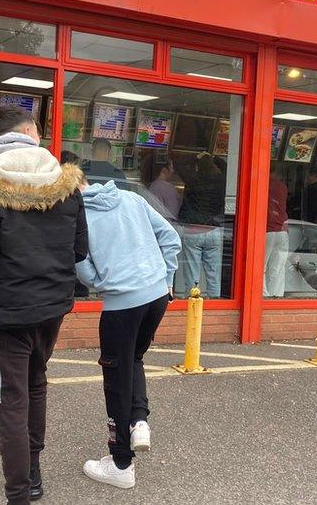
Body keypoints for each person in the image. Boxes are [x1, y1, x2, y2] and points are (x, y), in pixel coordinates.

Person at [0, 106, 87, 505]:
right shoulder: (65, 182)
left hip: (8, 308)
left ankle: (18, 492)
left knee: (13, 395)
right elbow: (79, 248)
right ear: (30, 132)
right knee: (36, 383)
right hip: (52, 305)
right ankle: (32, 472)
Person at [76, 177, 181, 490]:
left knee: (116, 380)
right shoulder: (131, 199)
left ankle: (121, 462)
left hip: (121, 305)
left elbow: (82, 266)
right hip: (157, 296)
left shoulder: (76, 217)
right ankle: (138, 421)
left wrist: (102, 283)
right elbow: (171, 238)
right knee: (134, 359)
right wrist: (167, 278)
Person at [177, 152, 226, 297]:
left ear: (198, 167)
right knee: (214, 274)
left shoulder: (193, 179)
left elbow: (180, 167)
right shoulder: (220, 180)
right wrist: (215, 156)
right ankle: (215, 303)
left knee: (192, 272)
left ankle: (193, 302)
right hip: (214, 230)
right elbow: (228, 168)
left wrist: (194, 157)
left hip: (193, 230)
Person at [263, 168, 289, 297]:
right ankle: (276, 297)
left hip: (267, 230)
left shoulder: (263, 183)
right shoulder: (282, 187)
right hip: (282, 232)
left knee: (261, 267)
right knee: (278, 269)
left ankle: (263, 296)